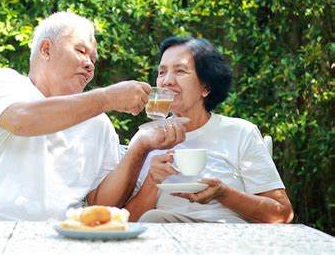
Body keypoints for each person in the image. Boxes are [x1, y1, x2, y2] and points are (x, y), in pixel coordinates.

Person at [0, 12, 185, 220]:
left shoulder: (98, 122)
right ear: (46, 50)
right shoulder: (5, 83)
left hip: (58, 241)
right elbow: (22, 121)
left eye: (93, 60)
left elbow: (102, 203)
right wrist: (109, 98)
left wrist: (140, 146)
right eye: (81, 51)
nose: (90, 66)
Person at [125, 36, 293, 223]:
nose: (167, 81)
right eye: (162, 72)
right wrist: (151, 182)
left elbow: (282, 214)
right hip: (167, 239)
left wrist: (224, 194)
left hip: (230, 239)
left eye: (180, 71)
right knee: (153, 218)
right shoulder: (146, 139)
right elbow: (125, 222)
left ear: (206, 87)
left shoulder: (240, 132)